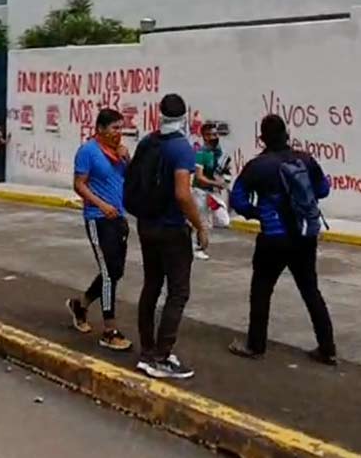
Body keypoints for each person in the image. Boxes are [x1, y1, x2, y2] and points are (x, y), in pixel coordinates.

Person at [227, 114, 337, 365]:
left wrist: (257, 213)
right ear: (287, 134)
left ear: (262, 138)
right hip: (304, 235)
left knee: (262, 290)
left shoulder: (257, 166)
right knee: (311, 291)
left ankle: (256, 346)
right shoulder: (306, 159)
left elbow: (238, 199)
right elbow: (323, 190)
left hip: (273, 237)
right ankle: (327, 348)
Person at [134, 93, 209, 380]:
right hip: (171, 229)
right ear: (184, 116)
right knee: (178, 291)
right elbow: (182, 193)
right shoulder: (181, 148)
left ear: (160, 113)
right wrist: (199, 225)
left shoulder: (147, 142)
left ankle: (147, 352)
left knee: (151, 285)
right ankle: (162, 357)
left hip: (147, 224)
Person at [67, 108, 132, 351]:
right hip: (98, 218)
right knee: (108, 273)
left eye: (121, 128)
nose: (119, 133)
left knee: (115, 271)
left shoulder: (119, 153)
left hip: (118, 218)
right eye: (114, 128)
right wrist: (101, 205)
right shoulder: (88, 151)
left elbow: (129, 178)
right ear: (101, 129)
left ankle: (80, 305)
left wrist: (128, 158)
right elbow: (79, 185)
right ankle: (109, 330)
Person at [192, 122, 231, 259]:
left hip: (213, 192)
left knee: (224, 221)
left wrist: (225, 180)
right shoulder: (202, 153)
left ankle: (196, 227)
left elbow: (226, 172)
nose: (213, 137)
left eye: (215, 134)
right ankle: (198, 247)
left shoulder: (220, 153)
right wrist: (215, 182)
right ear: (204, 137)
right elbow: (199, 176)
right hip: (200, 191)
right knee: (202, 222)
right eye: (209, 135)